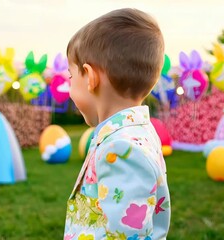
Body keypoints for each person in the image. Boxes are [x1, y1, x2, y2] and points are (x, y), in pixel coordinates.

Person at [64, 8, 170, 239]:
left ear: (90, 77)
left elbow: (128, 234)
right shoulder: (136, 133)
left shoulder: (122, 148)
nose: (69, 86)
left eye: (71, 77)